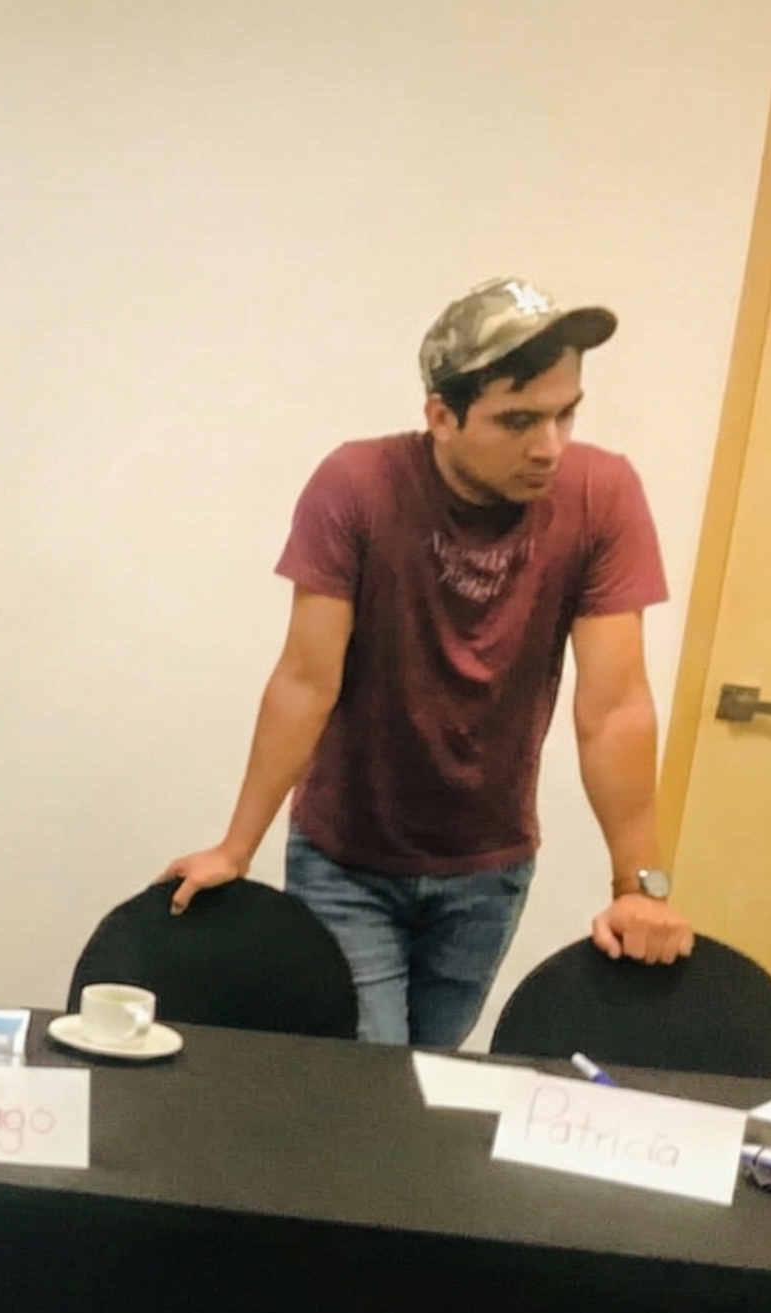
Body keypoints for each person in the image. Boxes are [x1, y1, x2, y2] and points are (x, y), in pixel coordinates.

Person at [164, 276, 694, 1047]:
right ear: (442, 416)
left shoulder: (602, 495)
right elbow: (307, 679)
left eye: (565, 414)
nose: (549, 446)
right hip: (346, 859)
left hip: (489, 868)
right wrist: (235, 847)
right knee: (370, 1075)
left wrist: (639, 887)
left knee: (426, 1078)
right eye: (518, 420)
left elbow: (613, 707)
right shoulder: (358, 486)